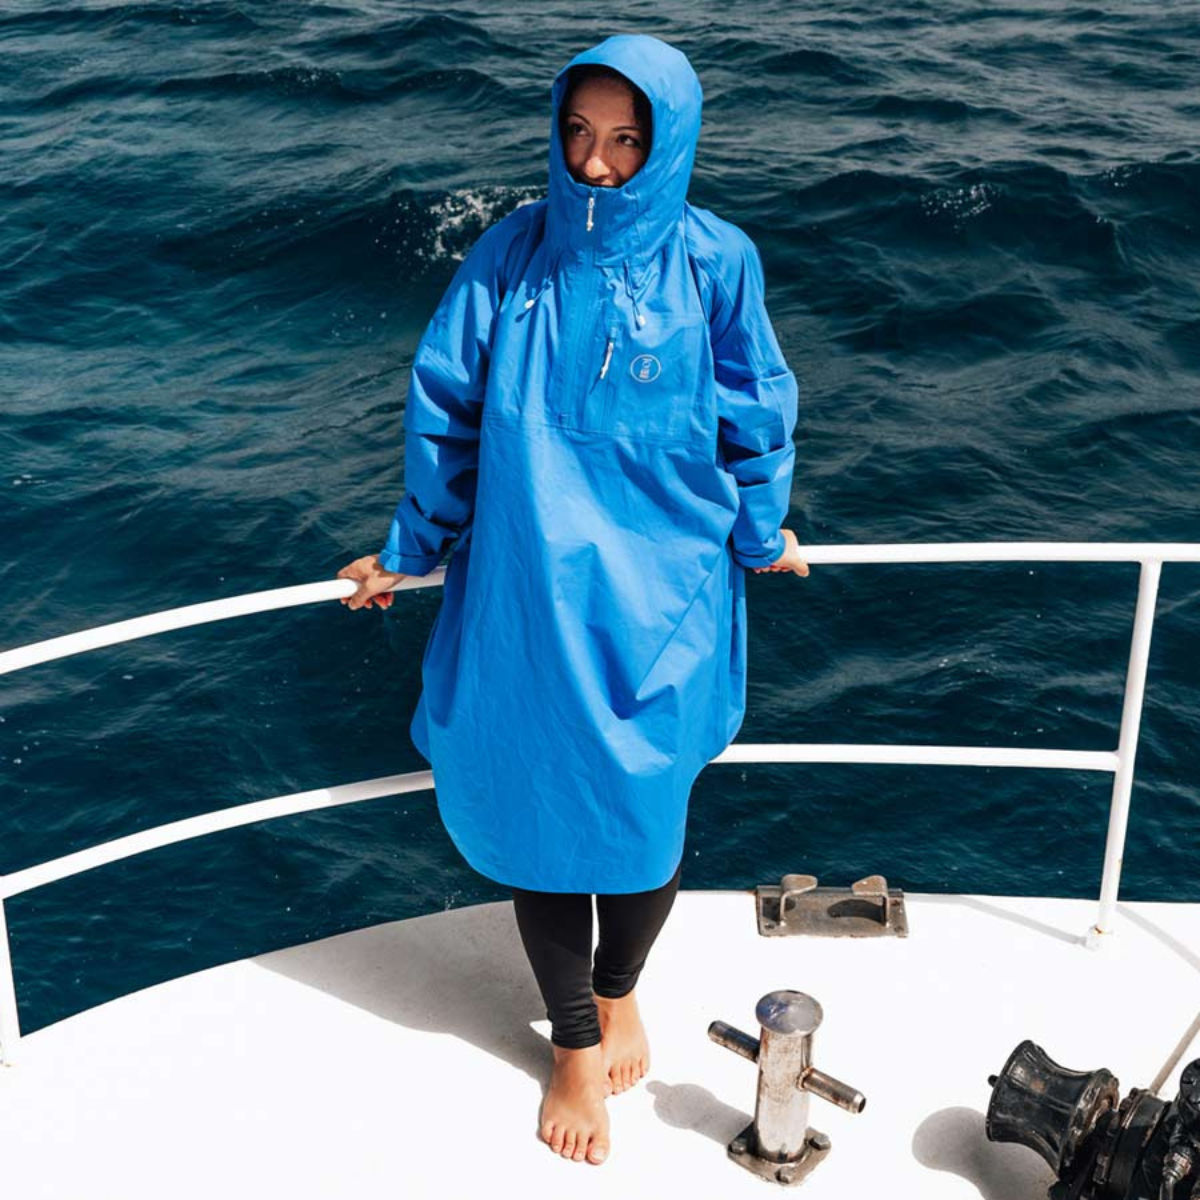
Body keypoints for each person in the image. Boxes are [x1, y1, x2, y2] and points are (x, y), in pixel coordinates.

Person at [337, 33, 808, 1167]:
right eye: (579, 133)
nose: (597, 163)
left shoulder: (717, 261)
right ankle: (575, 1041)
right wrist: (408, 549)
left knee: (647, 818)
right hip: (529, 592)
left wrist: (760, 535)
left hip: (668, 596)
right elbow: (445, 410)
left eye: (627, 139)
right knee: (539, 819)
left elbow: (757, 408)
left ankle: (619, 985)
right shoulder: (510, 255)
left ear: (669, 144)